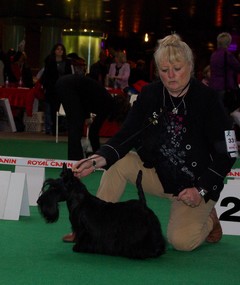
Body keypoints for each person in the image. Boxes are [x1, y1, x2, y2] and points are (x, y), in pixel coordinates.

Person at [68, 34, 237, 251]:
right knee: (117, 163)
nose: (171, 76)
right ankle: (92, 228)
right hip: (158, 174)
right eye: (165, 70)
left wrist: (201, 189)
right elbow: (126, 134)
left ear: (190, 66)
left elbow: (228, 153)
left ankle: (211, 220)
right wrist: (97, 158)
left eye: (177, 68)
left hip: (195, 185)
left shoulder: (209, 100)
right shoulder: (149, 94)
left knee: (181, 242)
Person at [55, 74, 130, 160]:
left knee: (76, 126)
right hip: (69, 86)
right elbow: (93, 131)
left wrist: (86, 116)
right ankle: (74, 160)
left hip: (66, 84)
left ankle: (75, 158)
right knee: (75, 127)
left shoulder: (106, 100)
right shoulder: (106, 105)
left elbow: (85, 100)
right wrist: (99, 154)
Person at [41, 43, 73, 134]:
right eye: (58, 49)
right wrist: (45, 87)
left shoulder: (67, 62)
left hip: (63, 88)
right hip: (51, 89)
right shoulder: (49, 60)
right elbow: (46, 75)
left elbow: (69, 75)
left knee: (62, 109)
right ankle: (51, 128)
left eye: (61, 49)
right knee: (51, 109)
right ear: (54, 51)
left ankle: (61, 128)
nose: (59, 51)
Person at [209, 32, 240, 110]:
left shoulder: (213, 55)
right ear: (228, 43)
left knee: (216, 110)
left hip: (213, 86)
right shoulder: (227, 55)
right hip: (225, 87)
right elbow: (238, 67)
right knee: (225, 111)